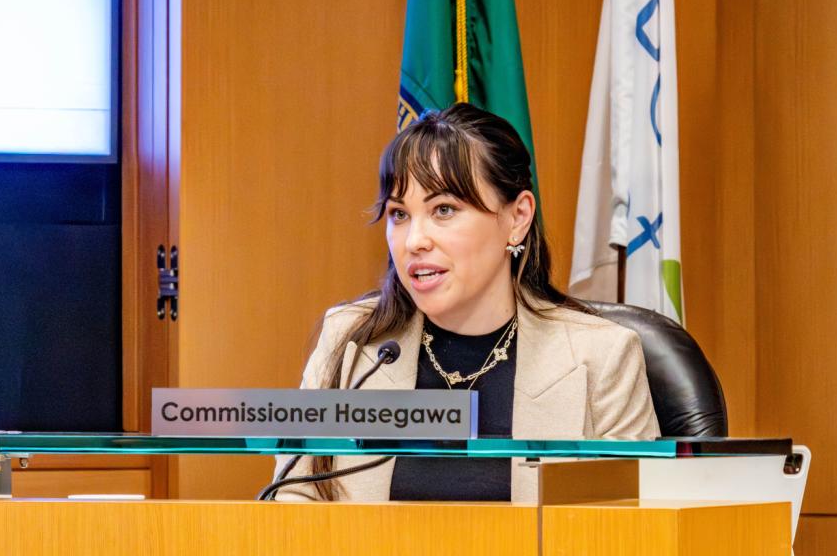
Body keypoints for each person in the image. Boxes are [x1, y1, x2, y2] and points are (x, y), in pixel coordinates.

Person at [274, 103, 659, 503]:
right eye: (399, 214)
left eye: (444, 210)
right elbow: (294, 503)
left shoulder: (601, 356)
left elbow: (634, 531)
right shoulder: (352, 341)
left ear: (518, 217)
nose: (414, 241)